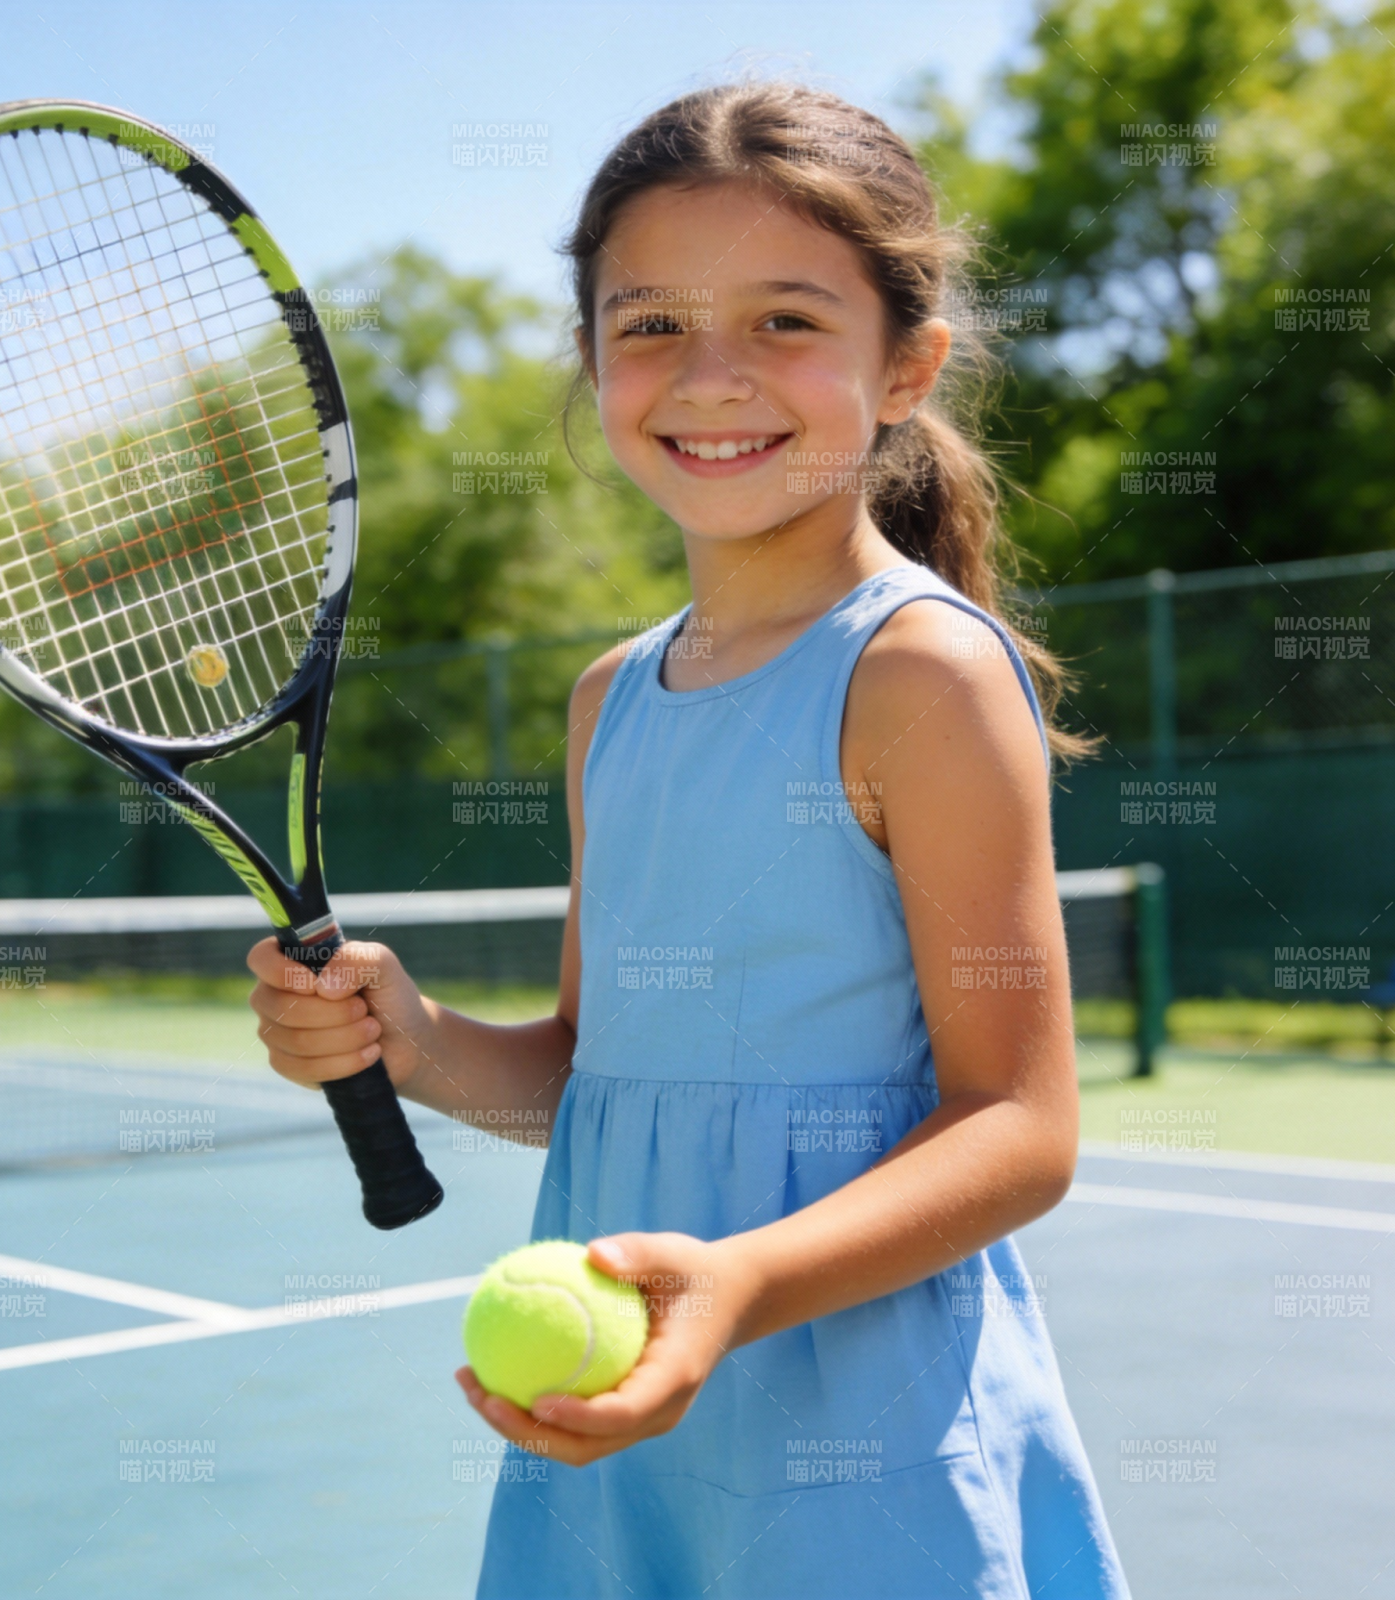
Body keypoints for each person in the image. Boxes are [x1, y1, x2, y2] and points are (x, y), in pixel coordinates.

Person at [248, 79, 1130, 1600]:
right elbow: (594, 1074)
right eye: (650, 324)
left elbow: (1021, 1126)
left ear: (908, 364)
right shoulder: (610, 701)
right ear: (590, 360)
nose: (710, 377)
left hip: (861, 1442)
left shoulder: (921, 672)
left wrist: (737, 1289)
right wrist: (416, 1039)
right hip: (627, 1434)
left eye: (786, 321)